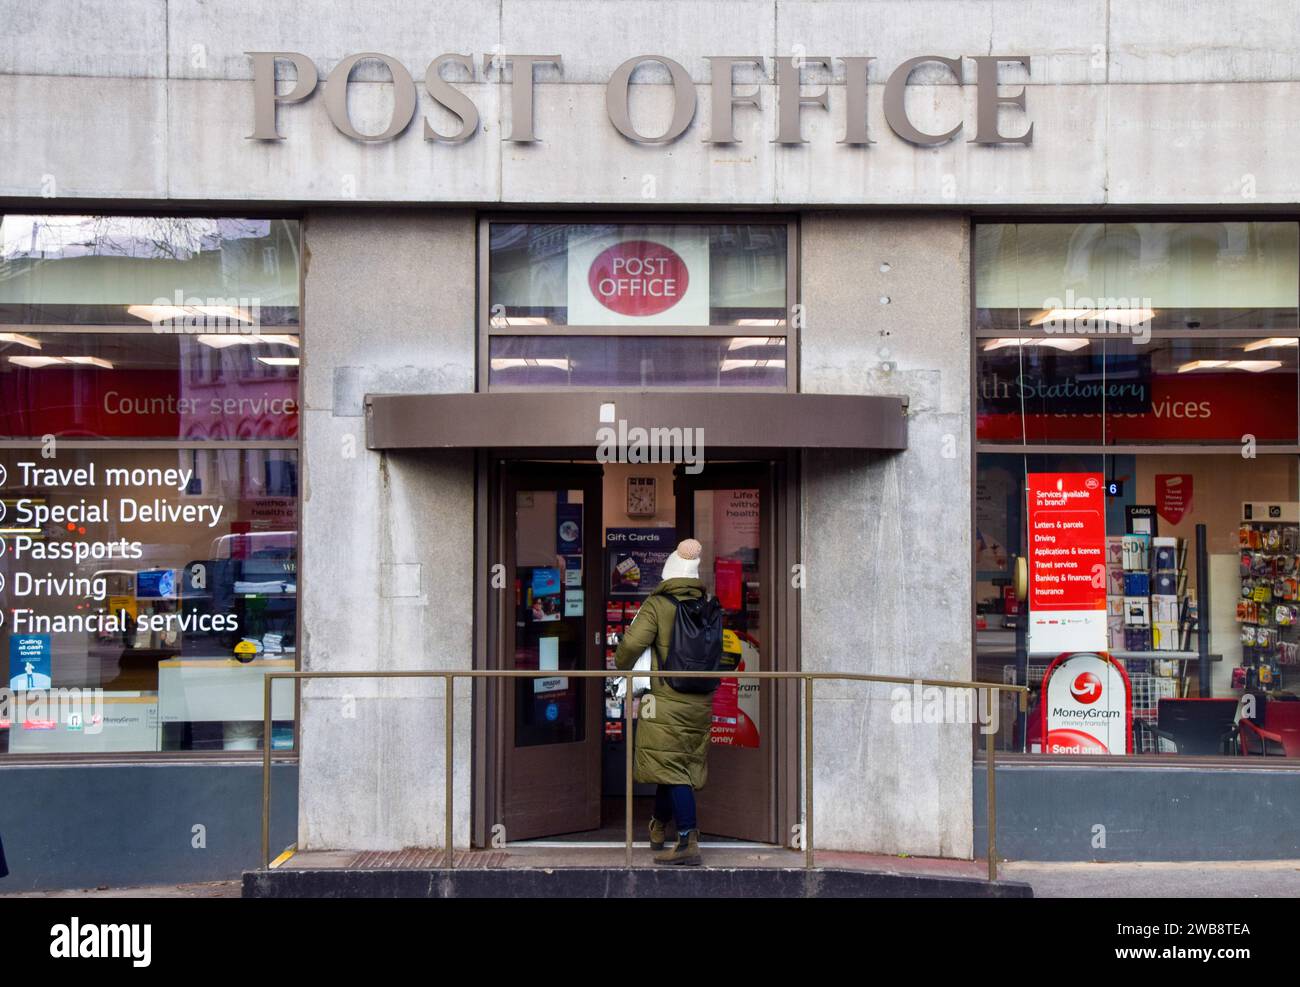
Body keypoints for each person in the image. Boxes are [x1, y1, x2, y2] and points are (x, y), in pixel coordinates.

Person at [614, 538, 713, 866]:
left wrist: (620, 662)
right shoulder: (707, 603)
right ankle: (658, 827)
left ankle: (687, 838)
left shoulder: (659, 605)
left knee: (673, 768)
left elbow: (631, 645)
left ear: (669, 572)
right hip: (699, 699)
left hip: (665, 698)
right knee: (673, 764)